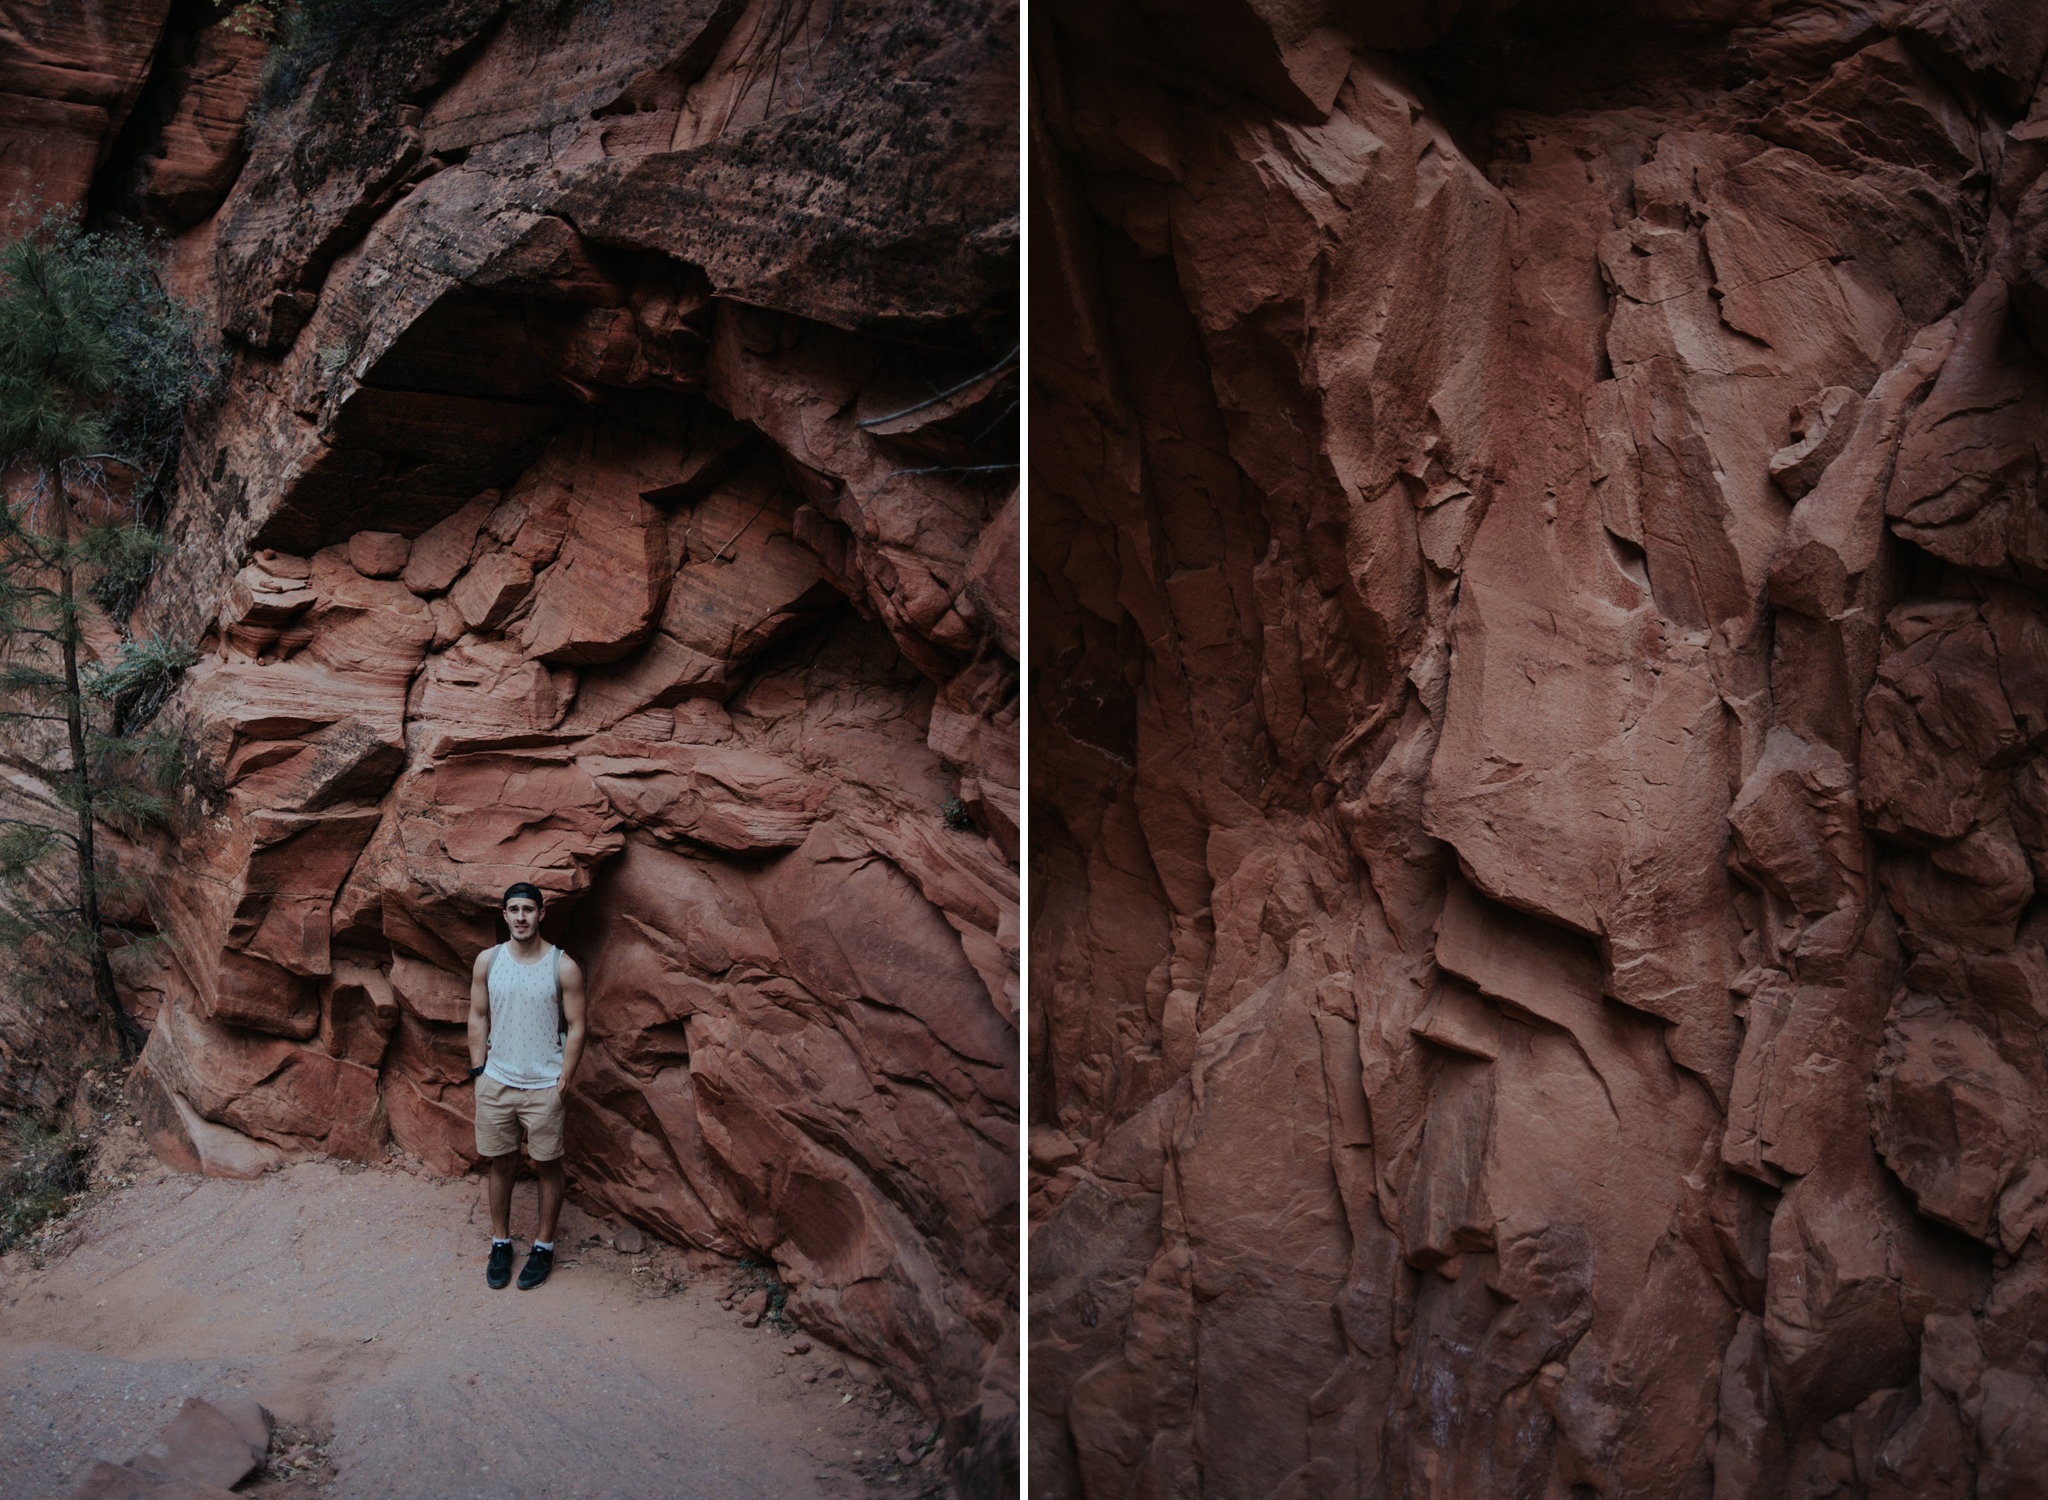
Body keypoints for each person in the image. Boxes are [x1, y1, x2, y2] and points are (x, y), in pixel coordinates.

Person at [466, 881, 587, 1290]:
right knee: (501, 1163)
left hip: (543, 1087)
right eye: (514, 910)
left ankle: (544, 1246)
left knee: (548, 1166)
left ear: (541, 915)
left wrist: (565, 1077)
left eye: (529, 910)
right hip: (497, 1081)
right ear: (504, 915)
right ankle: (501, 1243)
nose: (521, 917)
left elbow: (577, 1025)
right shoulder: (488, 960)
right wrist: (478, 1071)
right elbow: (478, 1015)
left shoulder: (562, 966)